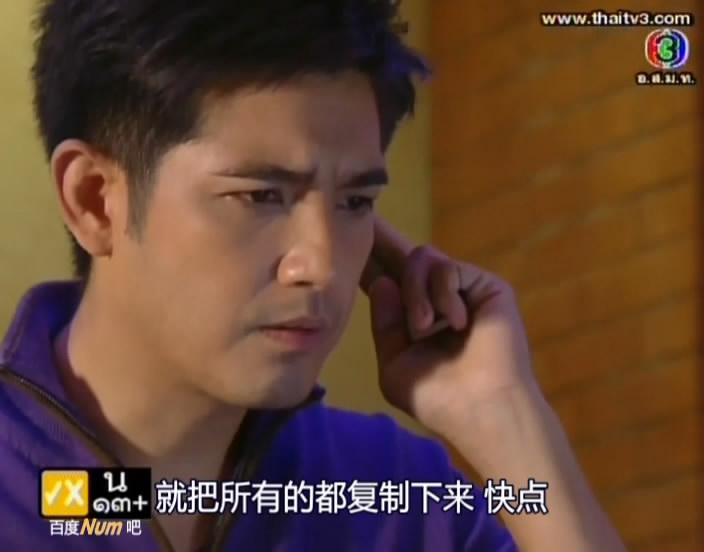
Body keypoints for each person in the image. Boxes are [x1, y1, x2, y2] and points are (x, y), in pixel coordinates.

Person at [0, 1, 628, 551]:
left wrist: (505, 418)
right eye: (259, 196)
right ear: (94, 199)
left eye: (354, 203)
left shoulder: (396, 499)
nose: (321, 266)